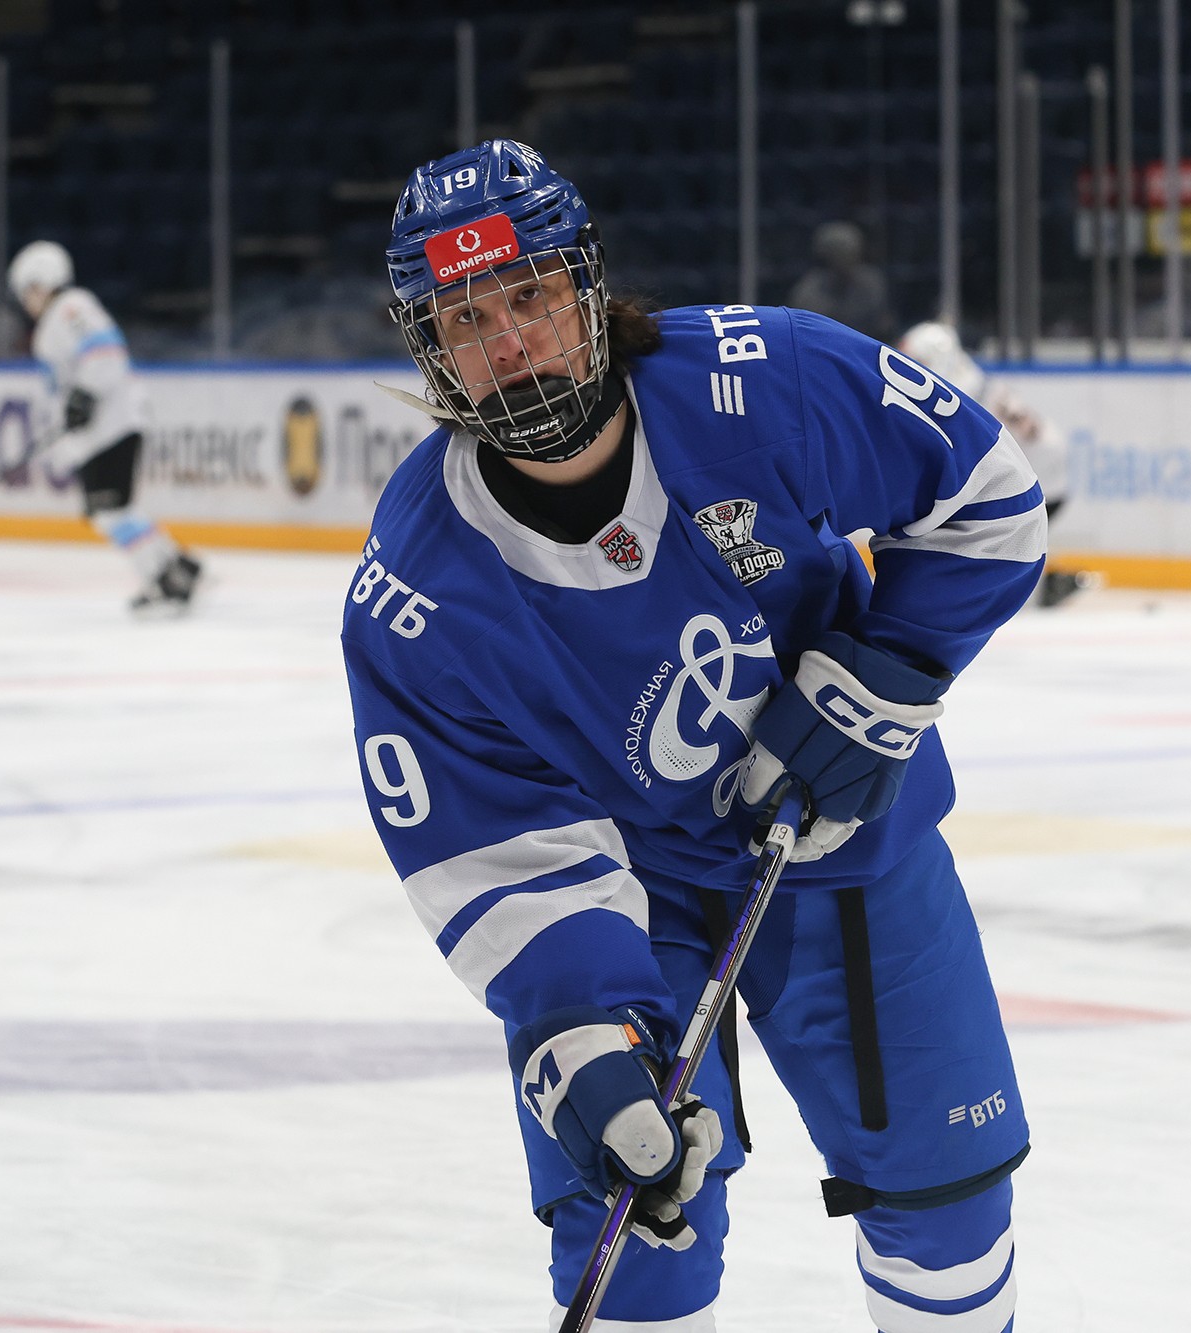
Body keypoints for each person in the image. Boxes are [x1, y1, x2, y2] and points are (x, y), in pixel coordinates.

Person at [345, 140, 1045, 1330]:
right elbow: (490, 851)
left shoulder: (759, 381)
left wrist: (878, 681)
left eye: (528, 295)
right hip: (627, 896)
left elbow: (984, 493)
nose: (507, 341)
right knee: (631, 1229)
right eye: (465, 318)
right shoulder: (415, 590)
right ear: (427, 346)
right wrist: (583, 1030)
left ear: (587, 284)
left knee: (946, 1202)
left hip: (845, 847)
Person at [6, 241, 202, 614]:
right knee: (114, 510)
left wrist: (84, 397)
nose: (26, 301)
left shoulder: (71, 307)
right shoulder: (58, 318)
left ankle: (166, 579)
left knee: (111, 511)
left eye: (27, 290)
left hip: (113, 425)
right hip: (103, 430)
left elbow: (105, 352)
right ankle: (175, 566)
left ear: (43, 281)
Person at [897, 320, 1098, 607]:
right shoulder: (967, 376)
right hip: (1047, 471)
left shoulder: (955, 390)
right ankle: (1041, 585)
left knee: (965, 529)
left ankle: (1035, 588)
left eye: (915, 360)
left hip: (1038, 477)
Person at [786, 219, 898, 344]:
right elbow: (807, 331)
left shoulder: (872, 281)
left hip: (866, 346)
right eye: (839, 251)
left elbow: (883, 325)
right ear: (825, 255)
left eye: (851, 251)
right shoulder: (809, 289)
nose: (847, 257)